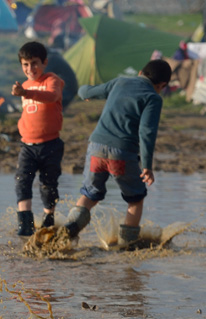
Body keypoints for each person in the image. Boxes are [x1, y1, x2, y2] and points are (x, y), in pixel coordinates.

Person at [62, 59, 172, 249]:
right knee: (136, 199)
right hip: (122, 153)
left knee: (90, 194)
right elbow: (147, 133)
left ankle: (67, 231)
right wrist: (147, 165)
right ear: (162, 85)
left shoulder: (120, 82)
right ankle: (126, 248)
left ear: (140, 73)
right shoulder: (153, 98)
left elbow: (85, 92)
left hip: (96, 147)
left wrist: (85, 94)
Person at [11, 41, 65, 236]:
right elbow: (29, 113)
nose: (30, 68)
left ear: (44, 63)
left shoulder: (52, 80)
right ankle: (25, 225)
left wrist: (26, 92)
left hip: (50, 145)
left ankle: (48, 216)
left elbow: (51, 96)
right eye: (25, 64)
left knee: (48, 185)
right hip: (27, 146)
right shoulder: (24, 86)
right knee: (22, 181)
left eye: (34, 63)